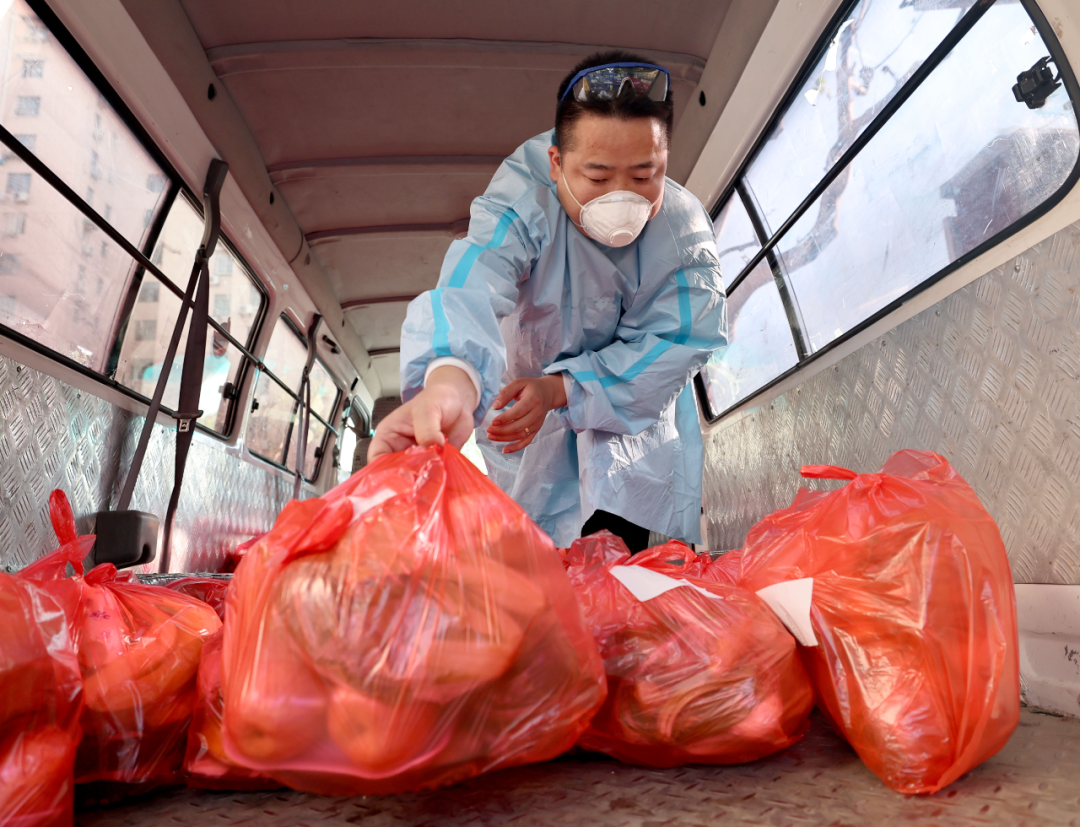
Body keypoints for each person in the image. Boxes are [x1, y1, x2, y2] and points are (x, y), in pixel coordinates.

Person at [370, 51, 728, 552]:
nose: (622, 199)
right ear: (557, 164)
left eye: (645, 176)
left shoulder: (682, 232)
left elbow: (676, 346)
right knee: (538, 579)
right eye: (598, 178)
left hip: (629, 444)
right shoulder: (523, 201)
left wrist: (561, 390)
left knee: (623, 589)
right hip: (524, 439)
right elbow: (470, 284)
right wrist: (450, 382)